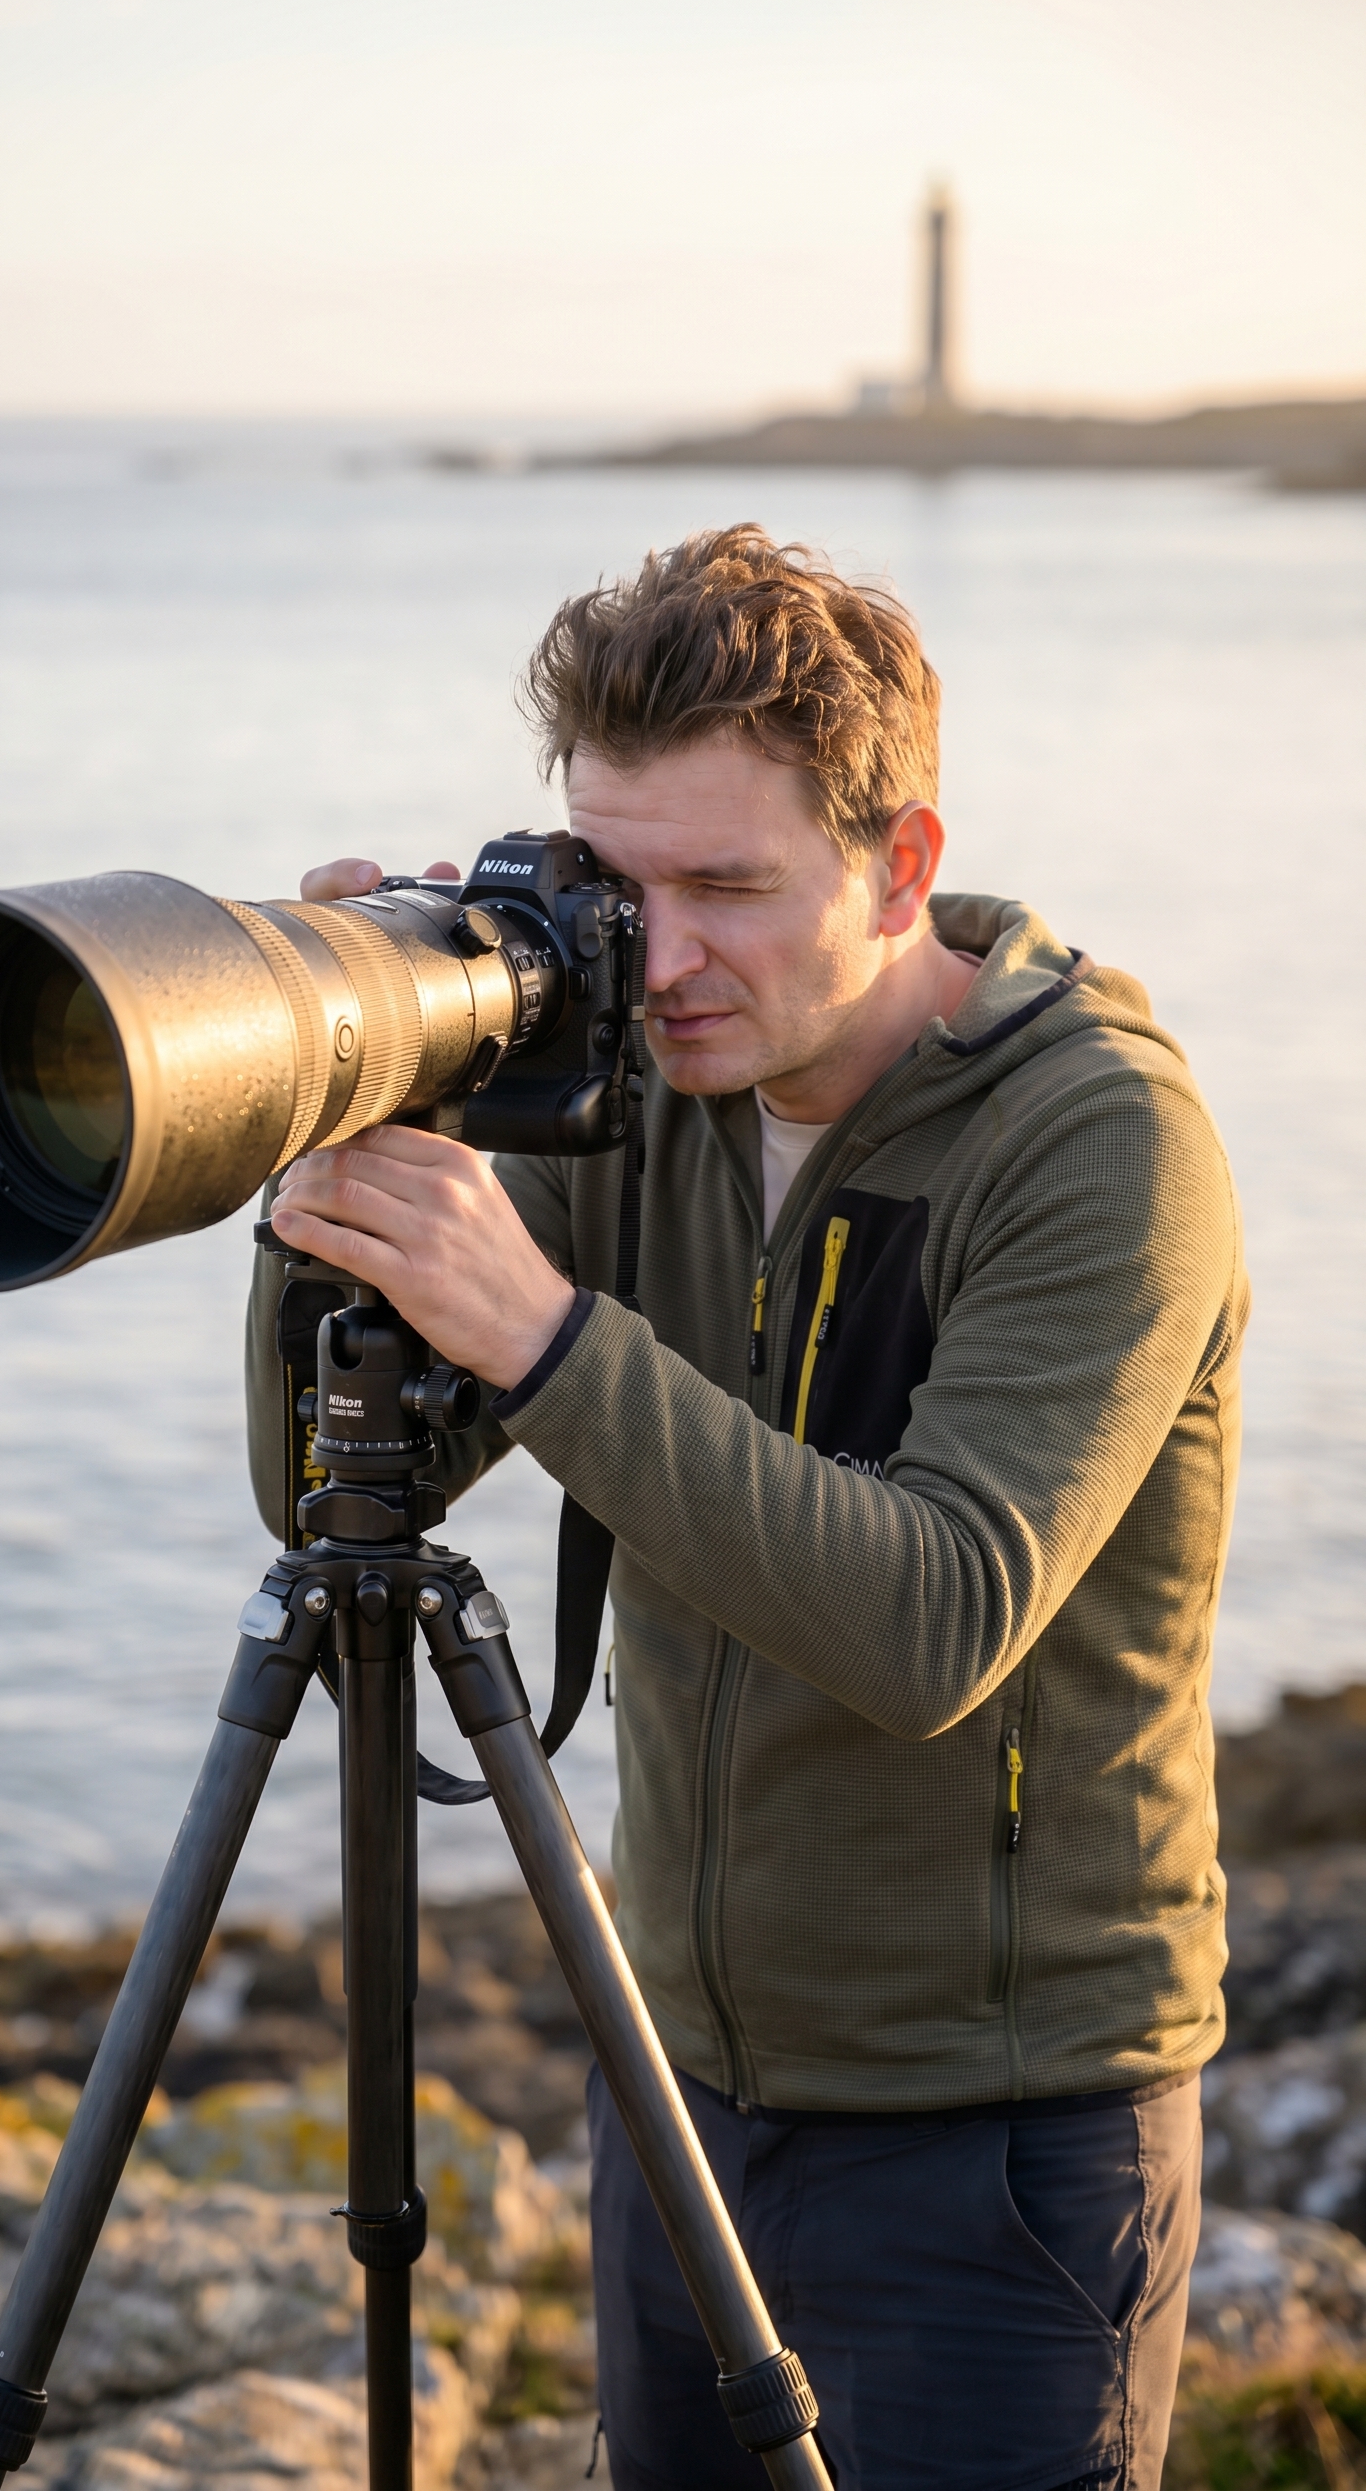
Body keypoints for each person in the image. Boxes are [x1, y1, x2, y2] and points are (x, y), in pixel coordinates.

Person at [245, 525, 1247, 2491]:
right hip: (672, 2075)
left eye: (726, 885)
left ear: (892, 860)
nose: (664, 955)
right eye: (618, 886)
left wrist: (538, 1328)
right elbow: (336, 1487)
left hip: (999, 2128)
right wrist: (354, 1142)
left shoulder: (1096, 1139)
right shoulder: (628, 1081)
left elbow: (931, 1623)